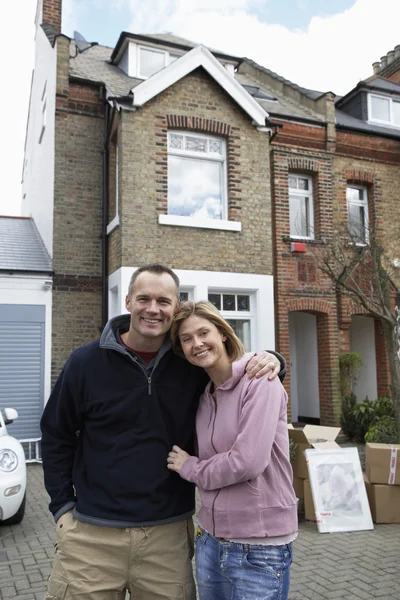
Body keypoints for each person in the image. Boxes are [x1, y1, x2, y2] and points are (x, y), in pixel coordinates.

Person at [41, 263, 286, 600]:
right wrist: (61, 507)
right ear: (128, 301)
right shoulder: (85, 363)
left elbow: (231, 370)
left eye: (164, 301)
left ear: (175, 307)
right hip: (90, 536)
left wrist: (273, 360)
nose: (153, 309)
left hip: (167, 538)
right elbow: (57, 434)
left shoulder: (190, 363)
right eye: (144, 298)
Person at [167, 300, 297, 600]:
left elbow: (247, 462)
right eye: (187, 339)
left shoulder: (260, 381)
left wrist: (191, 468)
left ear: (223, 333)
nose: (197, 343)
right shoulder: (203, 397)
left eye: (204, 333)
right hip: (210, 541)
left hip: (259, 546)